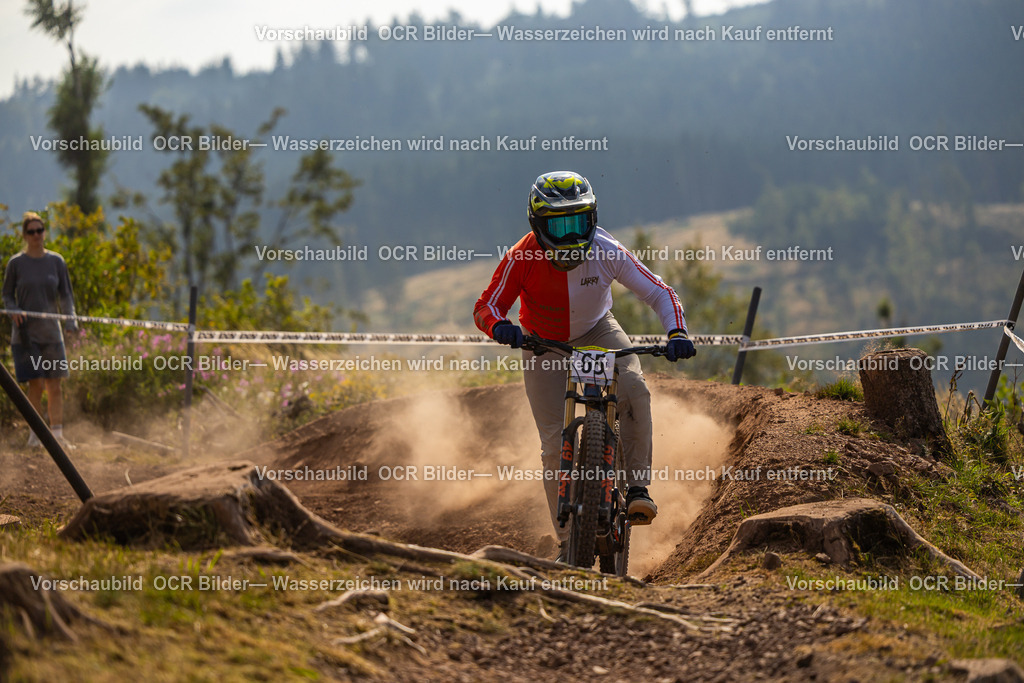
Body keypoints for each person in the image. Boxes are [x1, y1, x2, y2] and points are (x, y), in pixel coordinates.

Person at [473, 171, 696, 558]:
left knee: (635, 389)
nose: (569, 236)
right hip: (542, 343)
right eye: (557, 226)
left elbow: (661, 292)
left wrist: (677, 332)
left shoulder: (607, 250)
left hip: (598, 329)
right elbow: (486, 306)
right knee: (551, 446)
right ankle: (565, 543)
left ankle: (638, 488)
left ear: (592, 219)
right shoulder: (521, 256)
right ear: (536, 225)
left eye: (577, 222)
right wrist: (501, 328)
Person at [3, 211, 78, 449]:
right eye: (32, 231)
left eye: (40, 230)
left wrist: (70, 321)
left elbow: (66, 295)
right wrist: (13, 309)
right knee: (34, 384)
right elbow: (6, 294)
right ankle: (35, 436)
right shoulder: (16, 263)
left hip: (51, 334)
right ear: (25, 235)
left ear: (45, 232)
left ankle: (57, 435)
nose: (37, 235)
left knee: (54, 385)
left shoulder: (56, 262)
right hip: (25, 335)